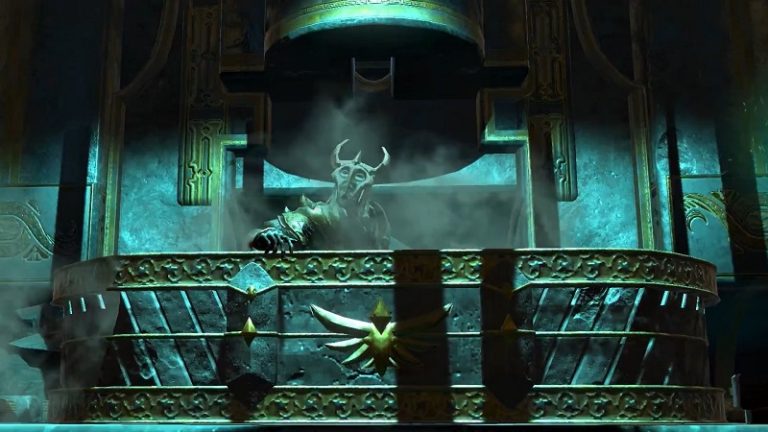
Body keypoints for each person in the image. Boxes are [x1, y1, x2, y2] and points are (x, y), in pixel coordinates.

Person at [249, 139, 391, 252]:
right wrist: (262, 236)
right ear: (336, 178)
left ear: (367, 186)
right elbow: (257, 236)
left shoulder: (376, 222)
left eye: (359, 176)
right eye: (345, 173)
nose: (348, 183)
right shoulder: (317, 216)